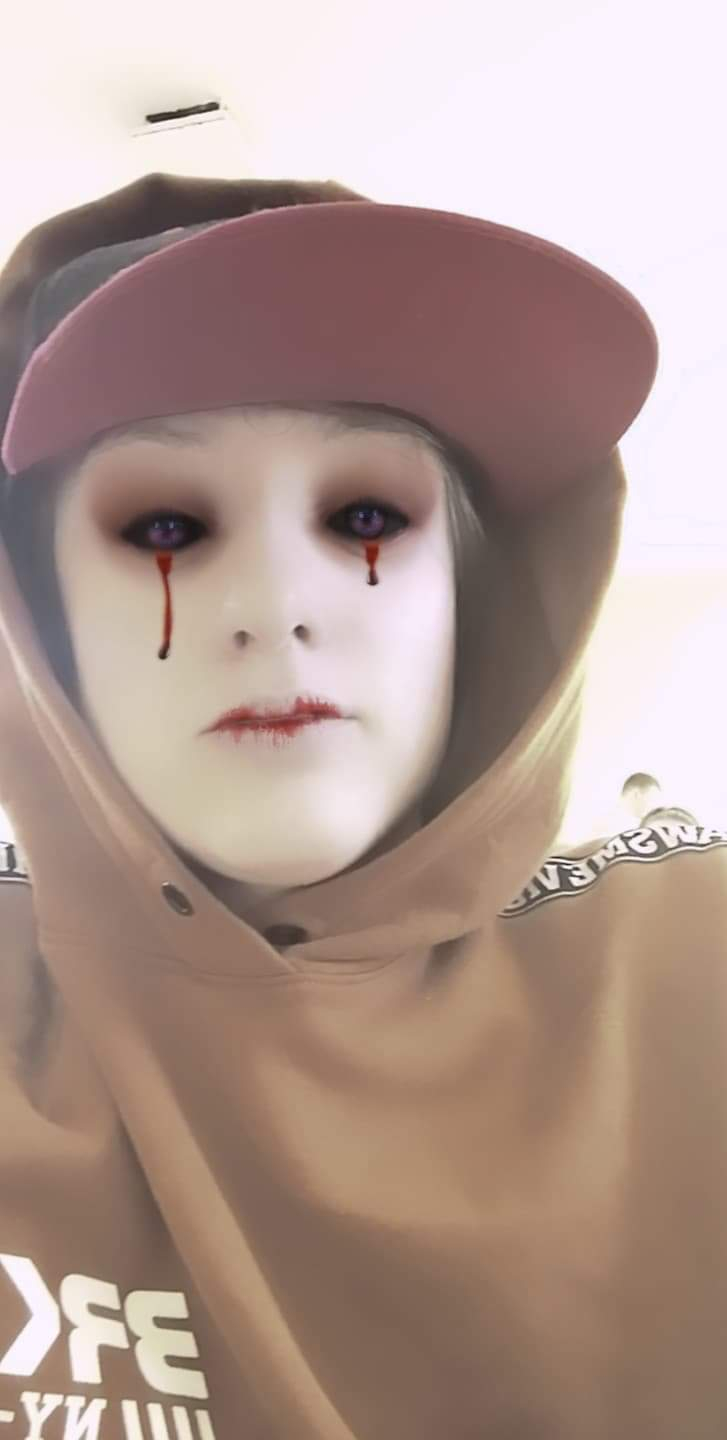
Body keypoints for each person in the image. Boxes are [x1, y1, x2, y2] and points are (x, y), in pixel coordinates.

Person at [0, 172, 725, 1440]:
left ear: (473, 596)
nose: (277, 606)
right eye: (165, 527)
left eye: (366, 516)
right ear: (37, 614)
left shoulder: (691, 961)